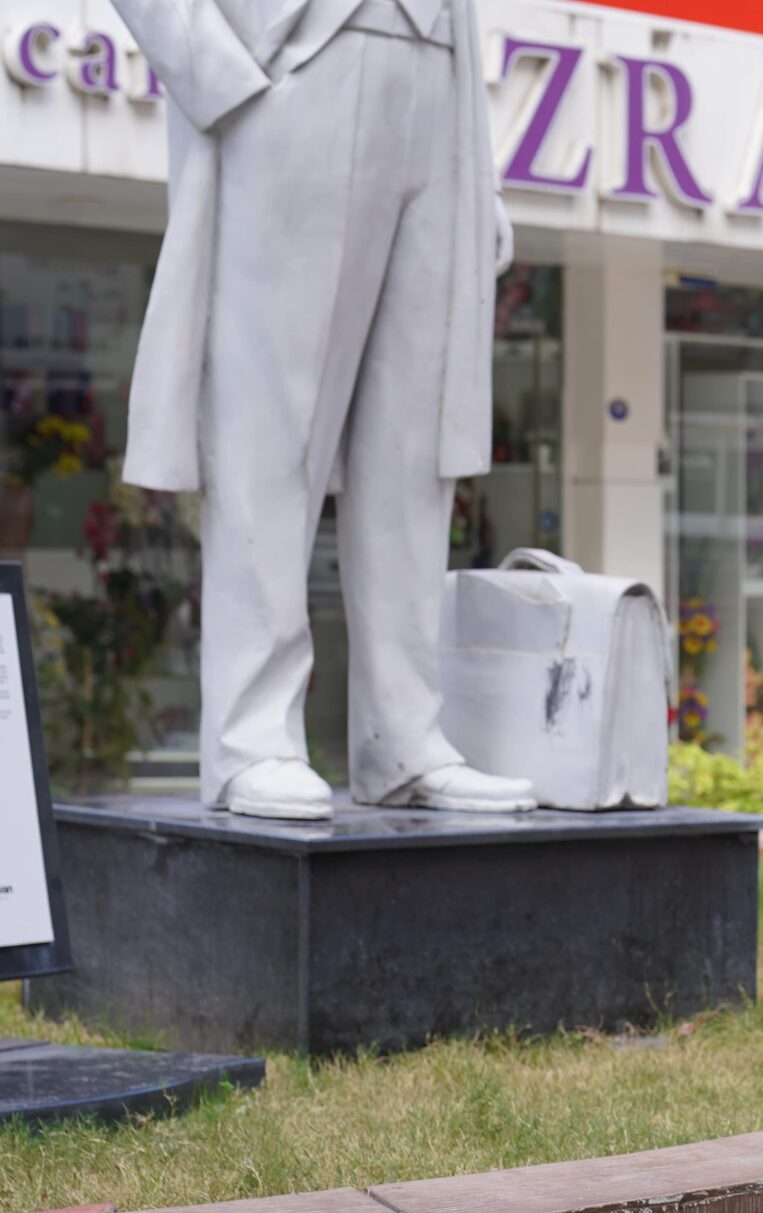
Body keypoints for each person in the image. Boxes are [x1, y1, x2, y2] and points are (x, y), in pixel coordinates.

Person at [114, 0, 536, 819]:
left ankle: (405, 736)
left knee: (416, 445)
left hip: (433, 86)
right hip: (290, 70)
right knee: (271, 424)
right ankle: (252, 736)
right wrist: (212, 68)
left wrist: (474, 166)